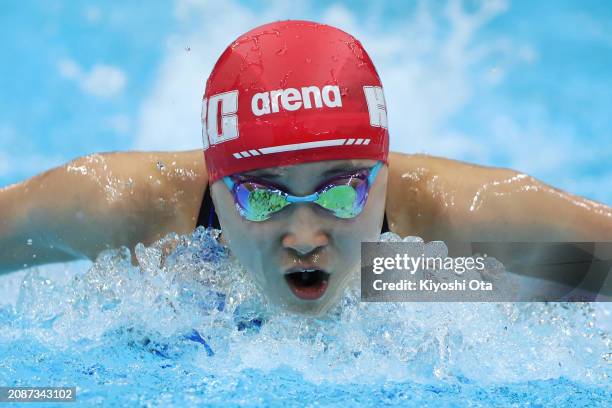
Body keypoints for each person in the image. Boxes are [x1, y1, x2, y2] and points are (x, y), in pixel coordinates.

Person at [1, 21, 611, 314]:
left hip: (398, 276)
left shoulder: (449, 226)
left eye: (341, 192)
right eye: (262, 197)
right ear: (216, 183)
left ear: (382, 175)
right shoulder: (133, 217)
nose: (304, 237)